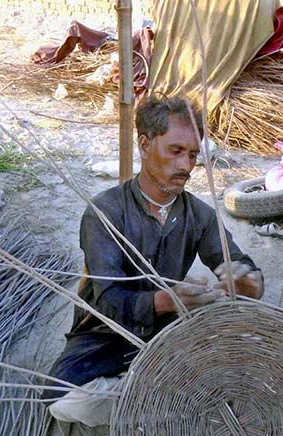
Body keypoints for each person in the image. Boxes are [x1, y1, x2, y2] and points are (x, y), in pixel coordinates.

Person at [44, 96, 264, 402]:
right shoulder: (106, 212)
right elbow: (108, 301)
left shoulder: (199, 215)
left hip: (167, 331)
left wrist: (248, 284)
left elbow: (237, 263)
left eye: (192, 155)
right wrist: (167, 300)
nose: (186, 165)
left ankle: (148, 392)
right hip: (104, 334)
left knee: (239, 364)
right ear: (145, 145)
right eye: (175, 151)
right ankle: (141, 393)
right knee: (59, 395)